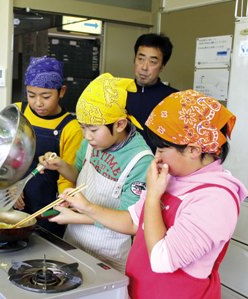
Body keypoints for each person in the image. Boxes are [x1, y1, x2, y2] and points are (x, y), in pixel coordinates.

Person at [52, 90, 247, 298]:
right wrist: (86, 207)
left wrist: (153, 197)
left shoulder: (216, 200)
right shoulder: (174, 176)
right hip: (141, 289)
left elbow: (162, 259)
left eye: (162, 149)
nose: (157, 156)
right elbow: (133, 222)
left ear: (193, 150)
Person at [39, 73, 153, 272]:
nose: (86, 136)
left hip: (109, 253)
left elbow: (129, 222)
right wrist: (60, 166)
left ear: (119, 124)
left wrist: (78, 215)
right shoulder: (92, 141)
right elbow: (80, 177)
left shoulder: (140, 161)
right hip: (74, 240)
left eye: (92, 129)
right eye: (82, 127)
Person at [13, 56, 83, 238]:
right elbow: (3, 157)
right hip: (13, 203)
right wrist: (8, 186)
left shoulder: (71, 128)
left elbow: (68, 177)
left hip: (47, 210)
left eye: (46, 96)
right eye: (31, 95)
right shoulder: (16, 113)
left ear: (62, 92)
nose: (38, 103)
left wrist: (60, 205)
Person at [126, 33, 178, 153]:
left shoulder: (173, 99)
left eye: (153, 62)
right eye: (140, 59)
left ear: (162, 66)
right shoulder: (118, 93)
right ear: (134, 59)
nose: (144, 67)